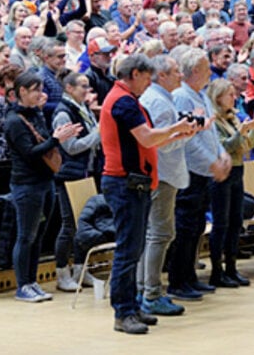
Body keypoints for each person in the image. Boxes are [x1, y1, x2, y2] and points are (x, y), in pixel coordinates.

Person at [99, 54, 195, 335]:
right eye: (146, 77)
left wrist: (176, 135)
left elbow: (149, 140)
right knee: (127, 251)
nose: (149, 83)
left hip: (133, 183)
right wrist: (175, 128)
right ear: (135, 73)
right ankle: (123, 312)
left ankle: (131, 306)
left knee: (134, 249)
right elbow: (147, 137)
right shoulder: (124, 101)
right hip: (124, 183)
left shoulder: (129, 99)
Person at [4, 70, 82, 302]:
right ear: (22, 91)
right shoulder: (14, 121)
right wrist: (57, 139)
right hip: (27, 184)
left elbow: (45, 141)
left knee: (37, 236)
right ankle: (22, 285)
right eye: (36, 90)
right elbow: (30, 153)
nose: (41, 94)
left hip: (45, 181)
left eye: (41, 89)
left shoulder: (36, 114)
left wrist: (56, 137)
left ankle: (32, 281)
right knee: (26, 236)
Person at [167, 48, 231, 297]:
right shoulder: (182, 97)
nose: (209, 74)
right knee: (185, 227)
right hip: (189, 170)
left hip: (204, 171)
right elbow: (189, 139)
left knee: (196, 226)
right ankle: (178, 280)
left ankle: (190, 277)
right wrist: (211, 161)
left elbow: (210, 131)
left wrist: (221, 154)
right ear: (194, 71)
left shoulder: (201, 95)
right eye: (206, 69)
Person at [136, 54, 188, 317]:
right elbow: (159, 143)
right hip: (163, 174)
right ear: (163, 75)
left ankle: (142, 289)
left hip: (159, 173)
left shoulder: (157, 98)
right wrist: (187, 134)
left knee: (152, 234)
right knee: (160, 234)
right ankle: (151, 293)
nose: (181, 75)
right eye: (177, 71)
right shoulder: (158, 102)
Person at [207, 78, 254, 287]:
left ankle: (231, 268)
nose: (234, 98)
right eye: (230, 95)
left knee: (236, 221)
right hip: (222, 173)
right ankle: (217, 271)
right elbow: (225, 147)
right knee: (221, 222)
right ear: (218, 97)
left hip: (237, 170)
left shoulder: (233, 118)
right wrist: (243, 130)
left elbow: (244, 146)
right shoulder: (214, 120)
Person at [50, 71, 100, 292]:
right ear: (69, 88)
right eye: (83, 86)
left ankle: (81, 270)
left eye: (88, 86)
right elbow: (71, 147)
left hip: (85, 172)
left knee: (84, 224)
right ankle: (62, 272)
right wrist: (98, 134)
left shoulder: (83, 108)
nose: (87, 90)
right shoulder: (63, 113)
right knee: (69, 225)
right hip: (69, 174)